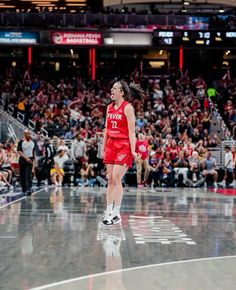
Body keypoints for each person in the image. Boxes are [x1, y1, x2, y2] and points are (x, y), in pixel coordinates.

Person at [102, 80, 143, 225]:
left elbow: (132, 131)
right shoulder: (109, 107)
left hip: (124, 145)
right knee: (110, 179)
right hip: (111, 145)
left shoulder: (128, 108)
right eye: (111, 88)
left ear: (122, 92)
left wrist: (133, 150)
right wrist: (103, 148)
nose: (111, 90)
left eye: (114, 89)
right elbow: (106, 129)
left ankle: (116, 212)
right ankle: (108, 211)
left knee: (116, 177)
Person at [17, 130, 35, 195]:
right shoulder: (21, 142)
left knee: (28, 175)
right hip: (22, 160)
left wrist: (34, 161)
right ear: (24, 134)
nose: (29, 135)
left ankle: (29, 189)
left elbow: (33, 152)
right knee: (23, 175)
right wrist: (26, 158)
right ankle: (24, 189)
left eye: (30, 133)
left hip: (30, 159)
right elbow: (19, 151)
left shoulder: (33, 142)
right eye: (28, 134)